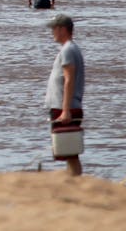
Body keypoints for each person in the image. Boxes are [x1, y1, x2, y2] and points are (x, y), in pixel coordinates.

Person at [45, 14, 84, 176]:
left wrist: (66, 110)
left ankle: (76, 183)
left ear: (62, 29)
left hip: (65, 107)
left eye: (54, 28)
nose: (52, 32)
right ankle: (74, 181)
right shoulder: (70, 49)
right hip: (63, 106)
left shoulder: (68, 50)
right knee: (67, 152)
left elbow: (69, 80)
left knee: (69, 151)